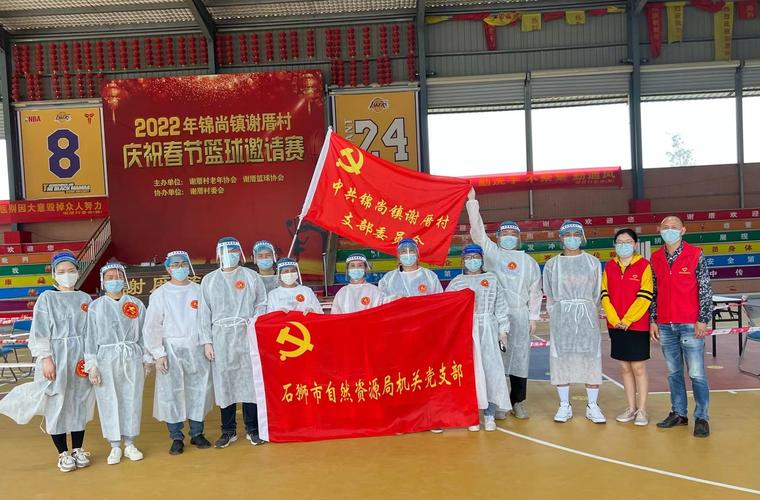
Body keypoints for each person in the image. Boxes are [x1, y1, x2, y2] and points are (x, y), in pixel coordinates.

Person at [0, 251, 95, 472]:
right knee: (56, 402)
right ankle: (63, 453)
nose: (67, 275)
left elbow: (92, 331)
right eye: (61, 271)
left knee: (79, 401)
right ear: (54, 274)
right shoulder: (47, 298)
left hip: (80, 358)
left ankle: (78, 449)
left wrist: (91, 359)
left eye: (71, 270)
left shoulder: (85, 299)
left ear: (77, 272)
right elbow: (40, 332)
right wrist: (46, 358)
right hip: (55, 356)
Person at [466, 188, 542, 419]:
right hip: (494, 316)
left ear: (518, 237)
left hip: (519, 315)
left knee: (519, 358)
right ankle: (497, 403)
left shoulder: (528, 261)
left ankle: (517, 401)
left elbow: (535, 291)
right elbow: (478, 232)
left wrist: (533, 317)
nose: (508, 236)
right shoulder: (492, 253)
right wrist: (472, 202)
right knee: (494, 358)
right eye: (504, 233)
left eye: (512, 233)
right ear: (498, 236)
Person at [199, 237, 268, 447]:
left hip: (246, 334)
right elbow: (204, 313)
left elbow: (261, 303)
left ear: (240, 253)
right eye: (225, 251)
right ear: (218, 254)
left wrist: (254, 325)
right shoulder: (209, 280)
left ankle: (253, 429)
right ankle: (228, 431)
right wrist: (207, 341)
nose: (230, 254)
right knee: (224, 383)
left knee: (250, 382)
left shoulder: (251, 276)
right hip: (221, 337)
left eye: (233, 250)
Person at [144, 251, 214, 455]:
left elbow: (206, 320)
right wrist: (158, 353)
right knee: (171, 393)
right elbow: (152, 326)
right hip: (171, 349)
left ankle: (197, 433)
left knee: (198, 390)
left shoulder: (199, 291)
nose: (180, 268)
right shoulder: (160, 294)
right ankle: (176, 437)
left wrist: (207, 343)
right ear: (168, 268)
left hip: (196, 347)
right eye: (175, 265)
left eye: (183, 264)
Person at [650, 216, 713, 438]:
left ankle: (702, 417)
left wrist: (703, 319)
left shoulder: (695, 254)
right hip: (666, 324)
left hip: (690, 323)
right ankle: (679, 413)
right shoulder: (656, 257)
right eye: (665, 228)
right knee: (673, 372)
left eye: (674, 228)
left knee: (696, 373)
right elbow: (654, 291)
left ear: (683, 230)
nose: (669, 231)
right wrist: (653, 320)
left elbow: (705, 288)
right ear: (659, 230)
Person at [85, 261, 149, 464]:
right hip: (106, 358)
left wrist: (146, 358)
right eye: (110, 278)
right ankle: (114, 445)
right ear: (103, 281)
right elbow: (90, 338)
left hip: (131, 356)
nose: (115, 280)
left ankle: (129, 443)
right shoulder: (96, 307)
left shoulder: (136, 304)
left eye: (118, 277)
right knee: (108, 399)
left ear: (125, 279)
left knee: (132, 398)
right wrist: (92, 365)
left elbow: (144, 334)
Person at [543, 220, 605, 424]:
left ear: (582, 237)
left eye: (576, 234)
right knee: (561, 358)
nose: (572, 238)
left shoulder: (592, 263)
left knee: (591, 357)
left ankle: (592, 405)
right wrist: (557, 312)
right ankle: (564, 405)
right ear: (561, 238)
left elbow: (597, 293)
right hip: (562, 316)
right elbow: (549, 293)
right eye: (567, 235)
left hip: (587, 317)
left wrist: (589, 309)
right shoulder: (552, 265)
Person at [444, 244, 511, 432]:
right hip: (466, 331)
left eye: (476, 257)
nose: (472, 261)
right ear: (463, 260)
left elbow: (500, 306)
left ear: (482, 259)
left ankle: (490, 414)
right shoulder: (457, 282)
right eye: (468, 258)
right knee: (470, 372)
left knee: (491, 371)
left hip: (488, 329)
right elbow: (447, 307)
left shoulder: (492, 279)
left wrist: (503, 331)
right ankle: (471, 415)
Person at [601, 229, 653, 426]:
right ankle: (631, 408)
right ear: (614, 245)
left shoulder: (644, 265)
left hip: (637, 324)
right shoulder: (610, 266)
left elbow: (646, 295)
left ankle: (642, 410)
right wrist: (615, 319)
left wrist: (628, 319)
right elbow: (604, 294)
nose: (623, 245)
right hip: (616, 325)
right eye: (620, 242)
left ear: (635, 244)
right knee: (624, 367)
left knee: (638, 367)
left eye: (628, 241)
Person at [378, 238, 443, 299]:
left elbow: (440, 299)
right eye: (403, 252)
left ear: (417, 255)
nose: (408, 254)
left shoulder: (430, 276)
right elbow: (381, 300)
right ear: (398, 256)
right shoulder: (388, 279)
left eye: (411, 251)